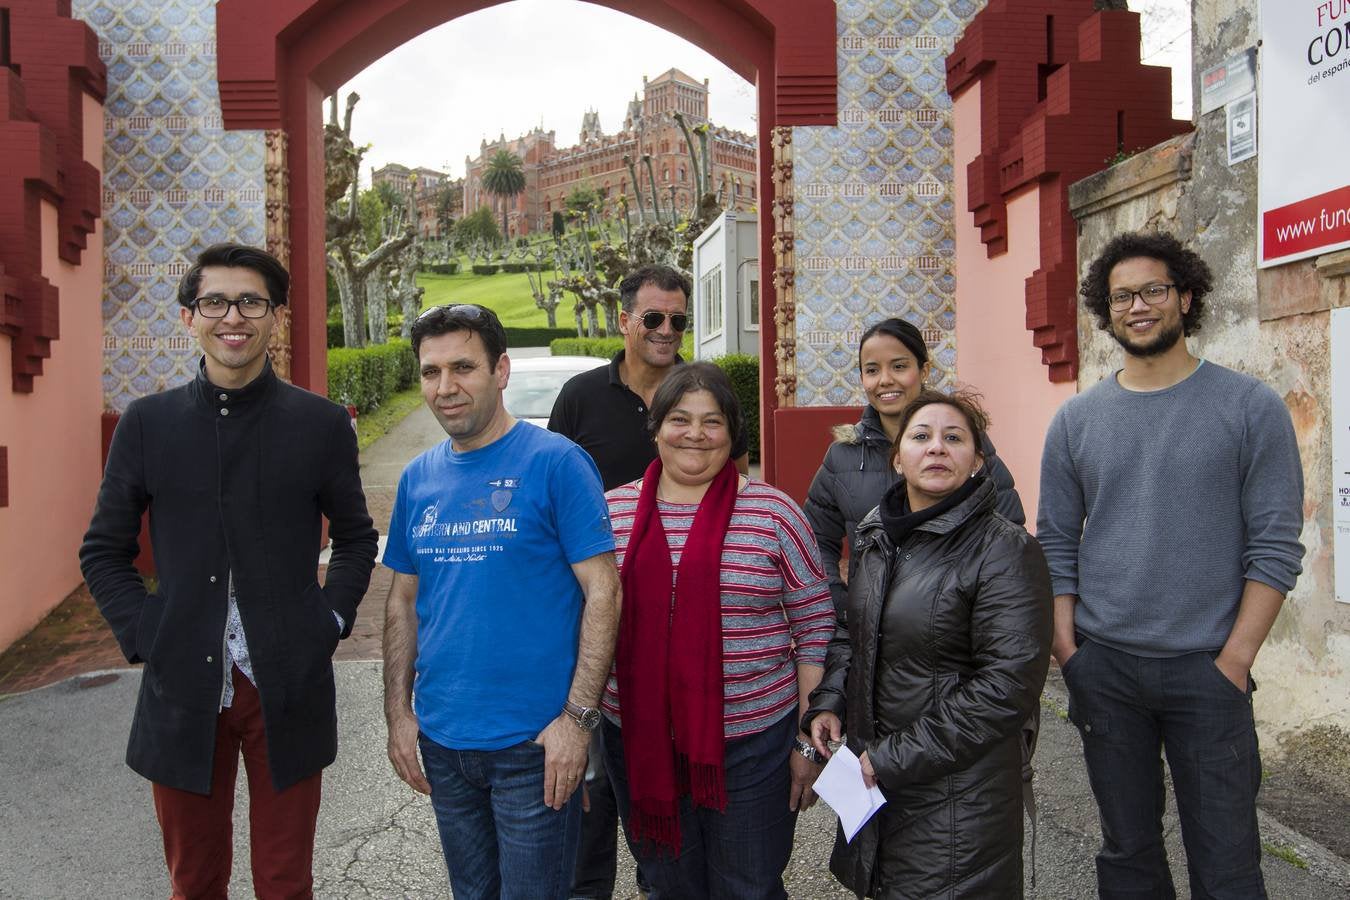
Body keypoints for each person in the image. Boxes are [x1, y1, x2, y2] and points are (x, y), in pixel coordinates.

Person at [79, 243, 378, 898]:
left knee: (284, 881)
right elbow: (103, 550)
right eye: (214, 301)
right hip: (183, 682)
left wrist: (328, 619)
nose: (232, 316)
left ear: (275, 317)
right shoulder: (147, 424)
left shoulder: (320, 424)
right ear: (190, 317)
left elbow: (356, 537)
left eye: (250, 301)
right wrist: (146, 631)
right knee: (194, 881)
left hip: (287, 681)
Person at [1037, 231, 1305, 898]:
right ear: (1107, 309)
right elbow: (1055, 544)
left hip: (1207, 672)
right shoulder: (1076, 421)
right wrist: (1070, 652)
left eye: (1154, 290)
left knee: (1229, 863)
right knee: (1127, 855)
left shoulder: (1250, 408)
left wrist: (1234, 662)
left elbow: (1275, 545)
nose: (1139, 306)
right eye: (1122, 295)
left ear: (1185, 297)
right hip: (1106, 671)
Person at [381, 303, 622, 900]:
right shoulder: (418, 478)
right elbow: (402, 601)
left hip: (534, 745)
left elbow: (604, 591)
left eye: (463, 367)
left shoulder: (556, 463)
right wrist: (398, 715)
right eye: (431, 372)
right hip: (444, 741)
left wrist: (577, 721)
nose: (446, 387)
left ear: (502, 370)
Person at [547, 263, 746, 899]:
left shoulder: (705, 396)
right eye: (654, 318)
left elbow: (735, 491)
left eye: (679, 321)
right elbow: (551, 504)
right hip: (602, 619)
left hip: (688, 626)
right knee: (597, 784)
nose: (667, 331)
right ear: (626, 319)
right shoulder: (581, 397)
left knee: (677, 784)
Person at [804, 389, 1052, 898]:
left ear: (978, 461)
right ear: (898, 458)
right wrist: (829, 700)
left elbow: (1006, 686)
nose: (936, 447)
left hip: (961, 799)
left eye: (954, 438)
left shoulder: (1005, 549)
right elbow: (856, 636)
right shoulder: (877, 537)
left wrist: (891, 759)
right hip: (880, 784)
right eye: (921, 436)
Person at [600, 362, 835, 900]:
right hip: (639, 738)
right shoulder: (609, 512)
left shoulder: (774, 512)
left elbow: (816, 622)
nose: (696, 434)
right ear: (656, 427)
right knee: (667, 883)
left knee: (747, 885)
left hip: (754, 744)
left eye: (712, 422)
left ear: (731, 434)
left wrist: (807, 732)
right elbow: (583, 622)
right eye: (680, 419)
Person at [804, 318, 1024, 616]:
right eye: (872, 370)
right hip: (871, 631)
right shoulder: (843, 456)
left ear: (924, 370)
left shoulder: (962, 446)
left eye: (898, 366)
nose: (884, 380)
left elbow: (1010, 533)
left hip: (952, 628)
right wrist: (840, 603)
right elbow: (815, 540)